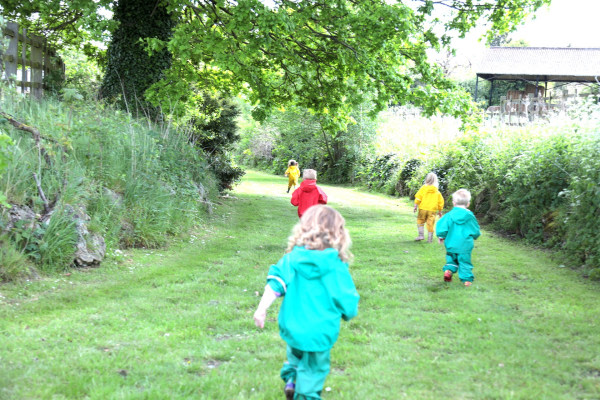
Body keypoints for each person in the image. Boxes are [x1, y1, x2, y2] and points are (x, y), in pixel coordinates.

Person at [253, 205, 359, 400]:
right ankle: (305, 394)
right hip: (320, 333)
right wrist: (349, 312)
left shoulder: (291, 259)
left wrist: (261, 310)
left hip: (292, 327)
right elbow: (346, 298)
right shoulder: (335, 266)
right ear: (338, 234)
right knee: (314, 372)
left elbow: (275, 284)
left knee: (295, 355)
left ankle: (292, 377)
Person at [436, 189, 481, 286]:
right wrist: (475, 235)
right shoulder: (469, 216)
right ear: (468, 204)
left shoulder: (449, 215)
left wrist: (441, 236)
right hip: (465, 245)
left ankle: (448, 270)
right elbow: (475, 229)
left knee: (451, 258)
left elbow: (441, 226)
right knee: (464, 262)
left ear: (454, 203)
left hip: (451, 244)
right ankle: (467, 280)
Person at [413, 172, 444, 243]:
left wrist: (415, 205)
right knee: (430, 223)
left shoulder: (423, 188)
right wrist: (440, 210)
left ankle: (421, 235)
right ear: (435, 181)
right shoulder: (437, 191)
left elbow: (418, 197)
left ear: (427, 179)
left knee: (420, 220)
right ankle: (429, 239)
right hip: (432, 210)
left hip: (423, 208)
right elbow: (440, 202)